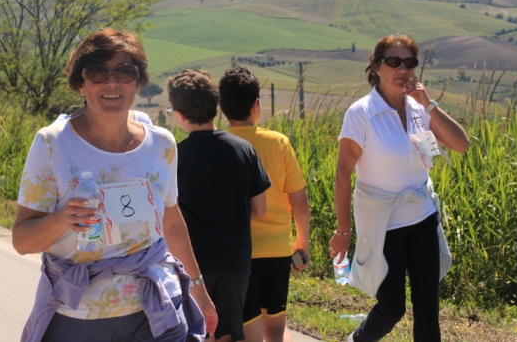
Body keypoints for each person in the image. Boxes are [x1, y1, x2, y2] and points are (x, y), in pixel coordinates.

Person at [12, 28, 218, 342]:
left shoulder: (161, 145)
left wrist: (199, 291)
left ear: (137, 82)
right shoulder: (53, 144)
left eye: (124, 72)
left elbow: (172, 222)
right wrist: (61, 219)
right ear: (81, 84)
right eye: (97, 72)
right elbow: (22, 240)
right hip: (78, 317)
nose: (111, 83)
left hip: (154, 313)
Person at [329, 34, 469, 342]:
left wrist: (428, 102)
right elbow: (342, 174)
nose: (402, 68)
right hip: (383, 224)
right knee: (392, 308)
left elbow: (461, 144)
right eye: (393, 61)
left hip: (422, 218)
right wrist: (343, 229)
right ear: (377, 67)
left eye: (409, 62)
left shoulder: (420, 109)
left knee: (428, 309)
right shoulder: (361, 113)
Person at [167, 69, 270, 342]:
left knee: (196, 330)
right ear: (217, 107)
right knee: (226, 331)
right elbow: (260, 208)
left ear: (179, 115)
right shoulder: (243, 149)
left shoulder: (175, 156)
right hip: (234, 261)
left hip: (192, 262)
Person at [218, 66, 311, 342]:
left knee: (250, 331)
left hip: (239, 254)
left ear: (222, 109)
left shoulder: (222, 146)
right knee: (276, 326)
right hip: (278, 252)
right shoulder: (278, 142)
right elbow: (300, 202)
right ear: (256, 104)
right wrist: (302, 242)